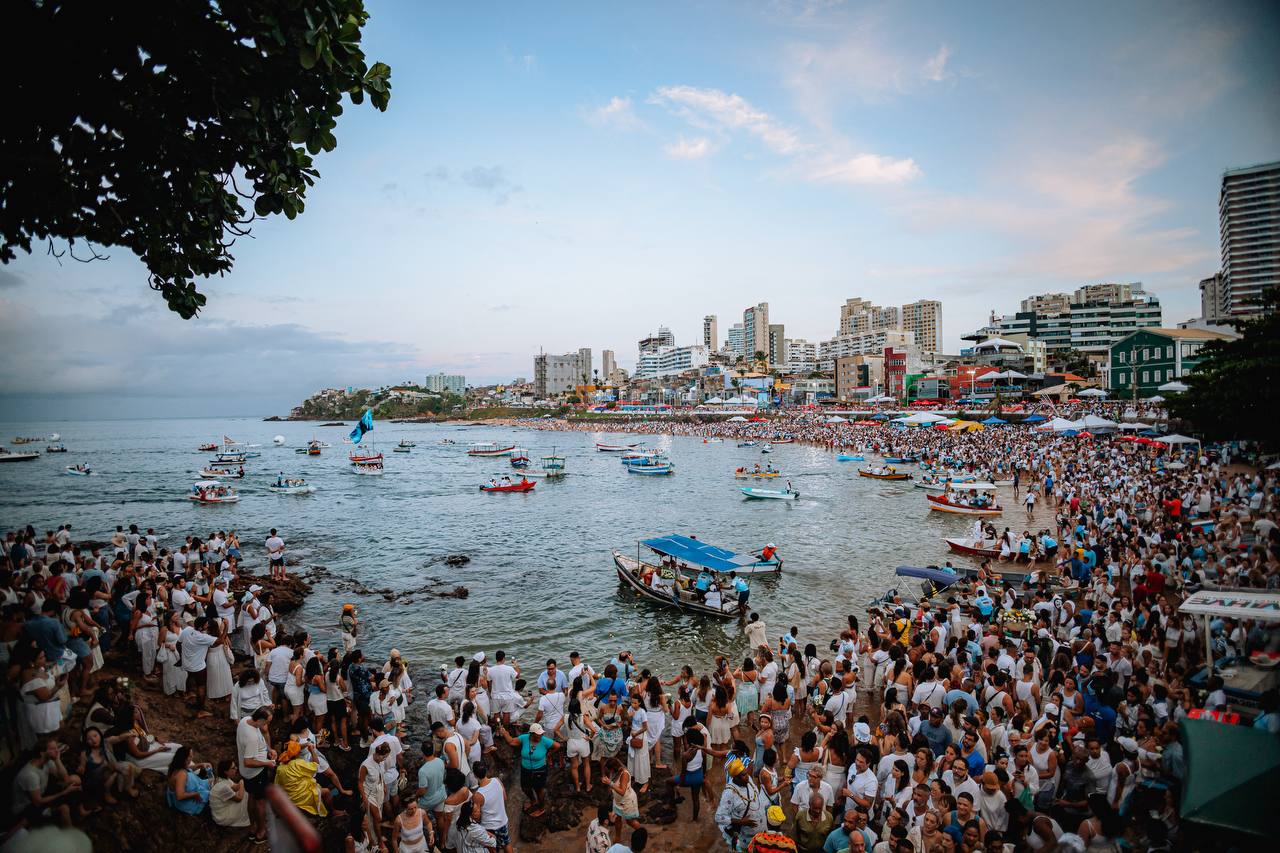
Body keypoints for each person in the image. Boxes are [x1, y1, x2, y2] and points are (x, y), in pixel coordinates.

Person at [496, 721, 557, 817]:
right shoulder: (524, 738)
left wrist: (548, 755)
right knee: (525, 787)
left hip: (539, 770)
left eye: (541, 733)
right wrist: (505, 733)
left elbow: (557, 746)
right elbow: (511, 741)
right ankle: (533, 800)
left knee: (539, 789)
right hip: (525, 769)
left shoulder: (544, 740)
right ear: (532, 734)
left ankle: (541, 808)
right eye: (538, 734)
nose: (540, 735)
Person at [236, 707, 276, 845]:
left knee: (251, 796)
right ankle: (261, 832)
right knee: (260, 802)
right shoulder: (251, 738)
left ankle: (253, 827)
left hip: (246, 773)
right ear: (260, 720)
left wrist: (268, 749)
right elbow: (248, 762)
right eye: (267, 722)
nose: (267, 725)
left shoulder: (245, 720)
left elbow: (259, 738)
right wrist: (267, 764)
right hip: (255, 773)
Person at [716, 758, 770, 852]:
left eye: (746, 772)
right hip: (745, 839)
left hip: (761, 832)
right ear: (736, 777)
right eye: (744, 775)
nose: (747, 776)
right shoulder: (729, 793)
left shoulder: (748, 779)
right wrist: (740, 822)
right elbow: (719, 817)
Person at [165, 746, 212, 816]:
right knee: (213, 793)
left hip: (190, 790)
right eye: (190, 756)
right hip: (187, 803)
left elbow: (189, 769)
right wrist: (195, 794)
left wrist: (201, 765)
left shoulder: (177, 766)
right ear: (185, 758)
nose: (192, 757)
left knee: (212, 781)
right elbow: (180, 796)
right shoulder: (181, 774)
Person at [209, 759, 252, 829]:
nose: (236, 769)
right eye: (233, 768)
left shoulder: (223, 779)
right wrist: (242, 782)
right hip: (222, 817)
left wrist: (243, 782)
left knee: (247, 790)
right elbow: (239, 799)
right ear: (226, 771)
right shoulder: (223, 787)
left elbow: (235, 787)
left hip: (223, 810)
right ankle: (254, 816)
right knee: (248, 795)